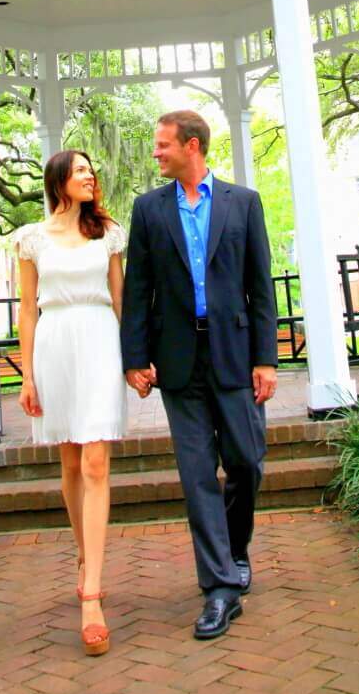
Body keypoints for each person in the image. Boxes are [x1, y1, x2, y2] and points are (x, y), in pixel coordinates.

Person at [121, 109, 278, 641]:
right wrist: (134, 359)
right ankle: (219, 589)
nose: (156, 153)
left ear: (192, 146)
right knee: (195, 476)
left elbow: (261, 286)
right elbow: (138, 290)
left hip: (235, 354)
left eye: (163, 145)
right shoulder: (148, 209)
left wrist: (267, 359)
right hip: (178, 360)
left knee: (246, 463)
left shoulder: (244, 203)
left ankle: (235, 550)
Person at [15, 150, 126, 656]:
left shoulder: (109, 233)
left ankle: (92, 595)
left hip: (101, 338)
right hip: (56, 343)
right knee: (70, 459)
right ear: (59, 181)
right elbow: (27, 312)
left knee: (97, 462)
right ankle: (84, 555)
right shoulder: (31, 240)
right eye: (80, 170)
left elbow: (120, 299)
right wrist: (28, 376)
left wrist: (137, 359)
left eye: (91, 170)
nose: (90, 176)